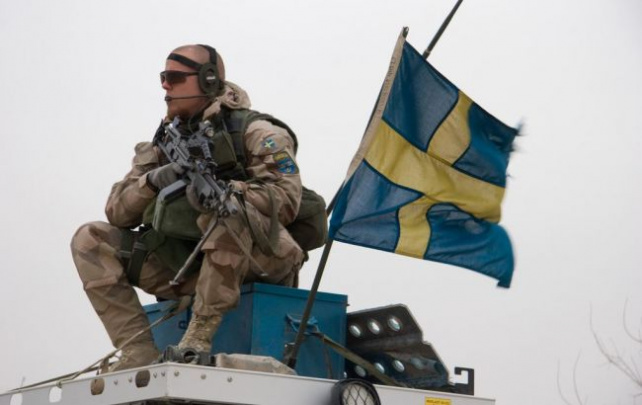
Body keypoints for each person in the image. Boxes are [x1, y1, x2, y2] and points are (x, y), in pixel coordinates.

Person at [70, 44, 305, 372]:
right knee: (90, 239)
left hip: (262, 258)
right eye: (163, 78)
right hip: (187, 265)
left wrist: (231, 192)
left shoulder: (259, 133)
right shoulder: (165, 141)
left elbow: (287, 198)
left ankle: (198, 338)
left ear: (209, 80)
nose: (166, 85)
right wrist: (152, 180)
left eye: (175, 77)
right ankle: (137, 351)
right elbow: (117, 213)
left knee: (227, 212)